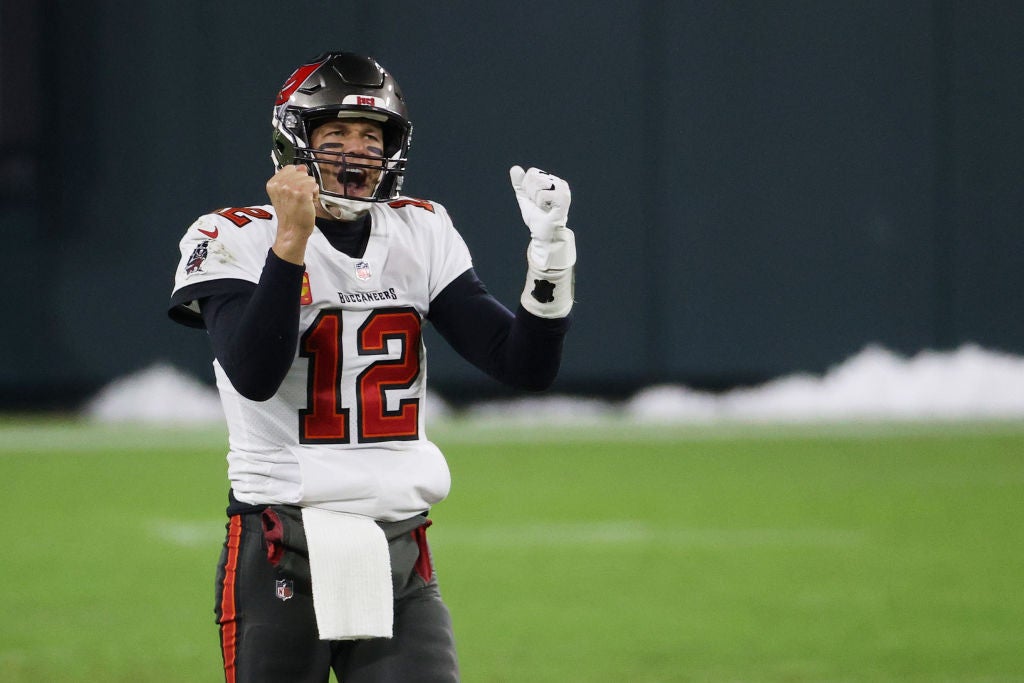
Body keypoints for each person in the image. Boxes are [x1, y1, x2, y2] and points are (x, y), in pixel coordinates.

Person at [167, 51, 576, 682]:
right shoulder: (231, 235)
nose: (357, 152)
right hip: (284, 538)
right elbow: (254, 373)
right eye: (336, 136)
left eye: (371, 136)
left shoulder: (420, 228)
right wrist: (291, 243)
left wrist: (550, 263)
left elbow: (520, 365)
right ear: (294, 143)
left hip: (396, 541)